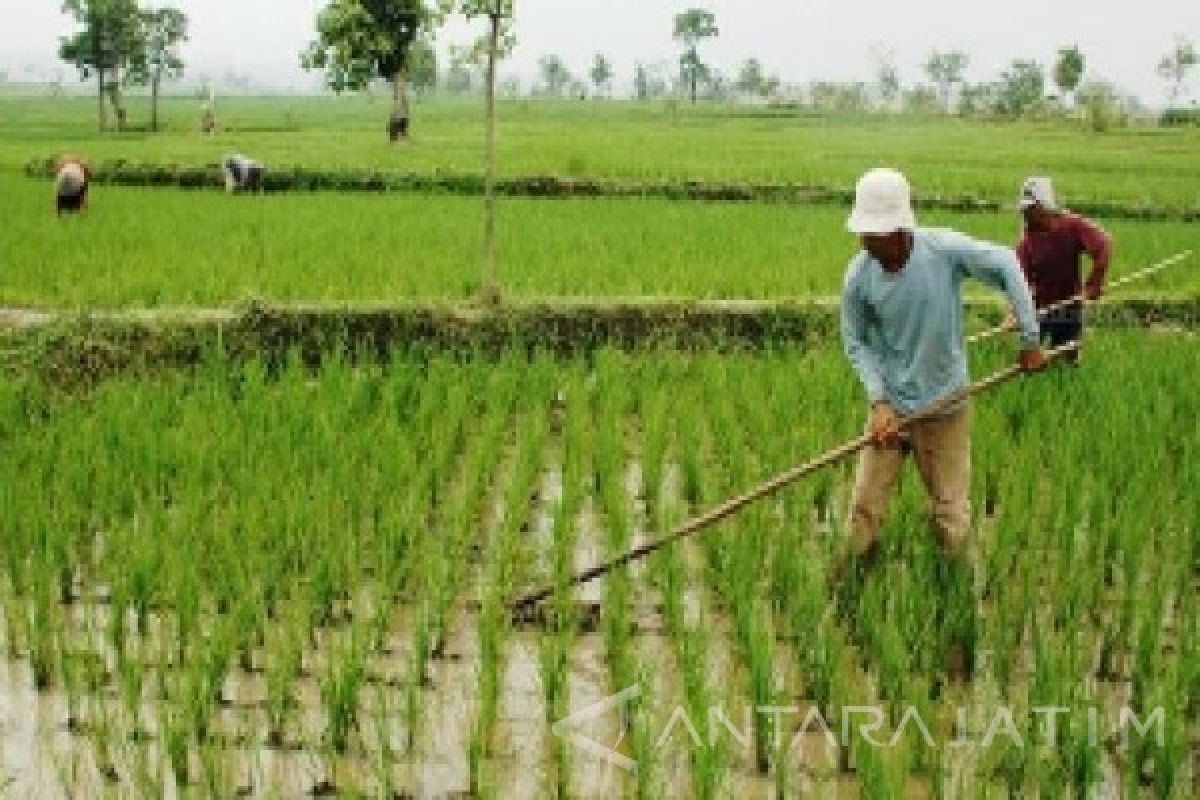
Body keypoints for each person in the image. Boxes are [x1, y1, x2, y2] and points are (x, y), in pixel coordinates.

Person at [835, 168, 1047, 676]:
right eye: (863, 231)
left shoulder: (943, 252)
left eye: (875, 232)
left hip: (945, 408)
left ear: (900, 229)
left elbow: (1004, 264)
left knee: (950, 514)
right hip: (890, 411)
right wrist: (879, 400)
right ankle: (845, 596)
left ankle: (956, 605)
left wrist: (1030, 338)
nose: (866, 239)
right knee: (865, 506)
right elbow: (856, 342)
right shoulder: (858, 276)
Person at [1014, 176, 1112, 364]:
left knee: (1067, 361)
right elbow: (1018, 281)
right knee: (1029, 363)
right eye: (1025, 209)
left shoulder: (1072, 226)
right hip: (1038, 310)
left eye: (1031, 209)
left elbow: (1104, 245)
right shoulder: (1027, 241)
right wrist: (1014, 312)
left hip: (1069, 306)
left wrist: (1094, 283)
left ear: (1045, 207)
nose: (1025, 214)